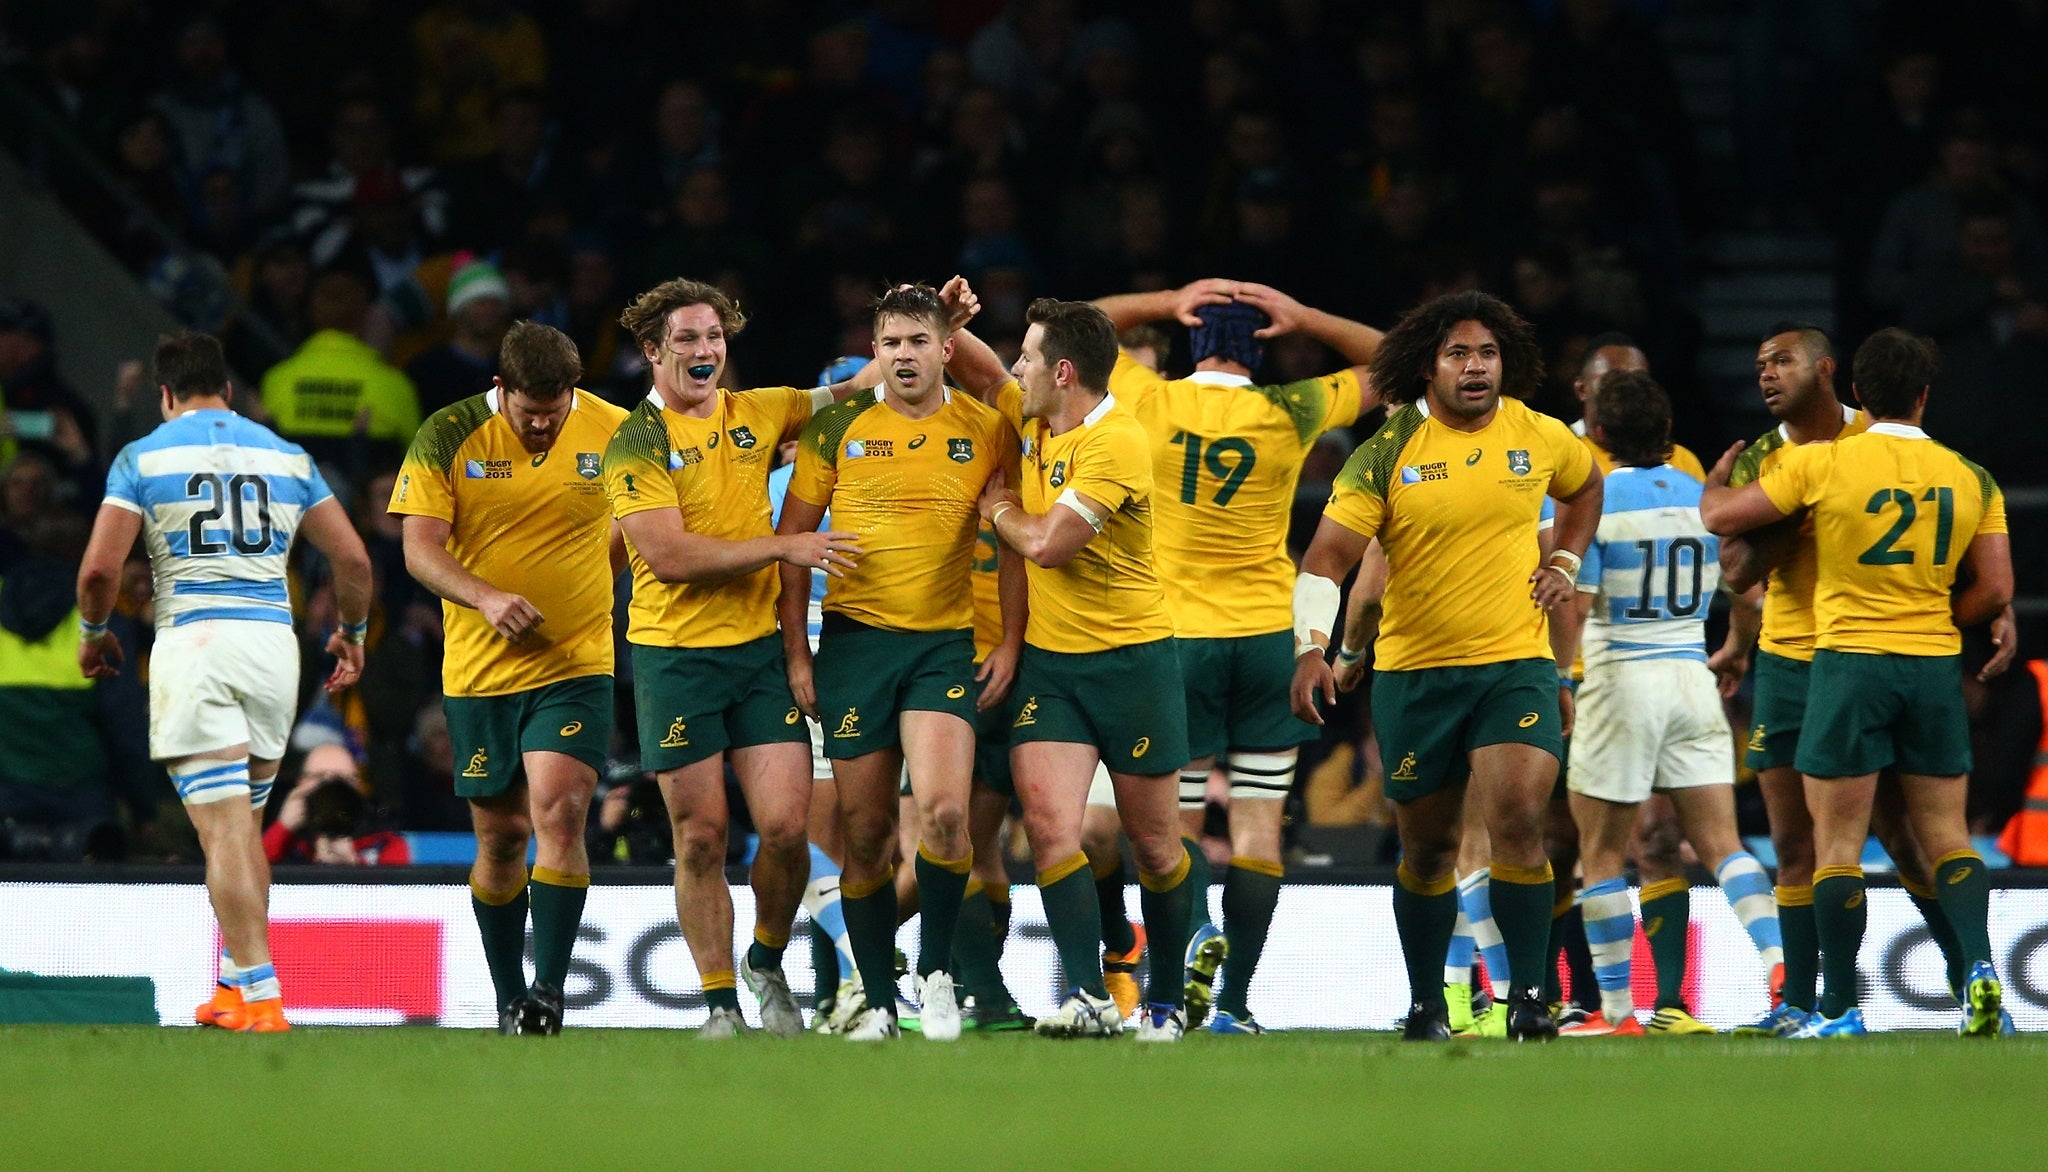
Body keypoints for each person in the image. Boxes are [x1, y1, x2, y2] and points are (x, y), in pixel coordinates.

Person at [1290, 290, 1603, 1042]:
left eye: (1487, 354)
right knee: (1428, 850)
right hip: (1417, 673)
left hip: (1514, 664)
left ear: (1506, 364)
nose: (1475, 367)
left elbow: (1586, 486)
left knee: (1519, 819)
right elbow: (1328, 559)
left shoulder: (1537, 433)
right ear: (1427, 366)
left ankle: (1531, 999)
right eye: (1458, 354)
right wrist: (1314, 647)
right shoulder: (1388, 450)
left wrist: (1563, 556)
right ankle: (1428, 1001)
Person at [1701, 327, 2012, 1038]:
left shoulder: (1830, 458)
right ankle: (1804, 1001)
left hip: (1846, 659)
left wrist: (1744, 503)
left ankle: (1867, 999)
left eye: (1781, 361)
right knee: (1799, 846)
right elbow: (1741, 573)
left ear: (1837, 376)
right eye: (1758, 366)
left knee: (1893, 841)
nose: (1766, 376)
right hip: (1802, 658)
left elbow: (1729, 536)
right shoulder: (1773, 452)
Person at [1092, 277, 1383, 1034]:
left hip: (1176, 641)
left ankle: (1188, 952)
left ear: (1190, 340)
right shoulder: (1288, 411)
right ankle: (1236, 1003)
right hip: (1268, 641)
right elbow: (1396, 363)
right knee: (1258, 826)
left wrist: (1167, 301)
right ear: (1264, 348)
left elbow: (1079, 322)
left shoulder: (1149, 399)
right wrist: (1308, 312)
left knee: (1174, 827)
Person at [76, 331, 373, 1033]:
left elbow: (97, 571)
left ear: (165, 393)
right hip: (273, 649)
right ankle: (232, 987)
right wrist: (351, 635)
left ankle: (265, 996)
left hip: (198, 645)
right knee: (240, 828)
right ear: (230, 392)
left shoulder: (142, 456)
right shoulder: (286, 455)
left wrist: (95, 632)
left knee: (225, 828)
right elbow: (354, 561)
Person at [601, 278, 866, 1039]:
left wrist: (936, 321)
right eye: (685, 338)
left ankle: (764, 958)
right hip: (673, 657)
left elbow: (855, 387)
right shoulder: (636, 443)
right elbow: (670, 557)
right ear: (653, 351)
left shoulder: (762, 410)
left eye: (713, 336)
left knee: (786, 831)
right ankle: (719, 1003)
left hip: (754, 655)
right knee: (703, 837)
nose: (703, 349)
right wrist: (786, 544)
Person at [774, 285, 1017, 1042]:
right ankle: (878, 1000)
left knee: (946, 817)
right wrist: (797, 654)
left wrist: (1007, 640)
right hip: (853, 645)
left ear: (948, 350)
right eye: (891, 343)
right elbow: (791, 548)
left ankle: (937, 974)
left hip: (943, 645)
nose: (904, 355)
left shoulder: (986, 427)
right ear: (874, 355)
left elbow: (1009, 536)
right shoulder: (837, 429)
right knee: (867, 833)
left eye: (919, 341)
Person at [962, 298, 1198, 1041]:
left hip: (1133, 664)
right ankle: (1092, 997)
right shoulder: (1037, 419)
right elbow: (975, 366)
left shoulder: (1117, 442)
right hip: (1053, 669)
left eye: (1028, 358)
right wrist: (944, 320)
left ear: (1063, 372)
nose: (1017, 370)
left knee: (1155, 846)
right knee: (1052, 828)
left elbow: (1047, 545)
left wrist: (997, 510)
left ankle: (1166, 996)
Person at [388, 320, 628, 1034]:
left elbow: (642, 521)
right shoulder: (448, 432)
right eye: (530, 417)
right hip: (480, 670)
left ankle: (549, 994)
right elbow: (418, 550)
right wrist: (487, 598)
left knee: (559, 812)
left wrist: (589, 585)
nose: (544, 429)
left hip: (575, 662)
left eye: (555, 417)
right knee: (498, 837)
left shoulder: (614, 429)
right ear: (502, 390)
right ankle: (507, 996)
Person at [1546, 370, 1784, 1037]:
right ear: (1669, 432)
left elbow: (1578, 602)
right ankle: (1777, 961)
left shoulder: (1594, 503)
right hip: (1690, 675)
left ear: (1597, 434)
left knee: (1599, 855)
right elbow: (1744, 587)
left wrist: (1560, 678)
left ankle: (1618, 1013)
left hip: (1620, 678)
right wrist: (1736, 648)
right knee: (1721, 844)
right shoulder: (1707, 500)